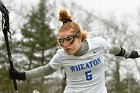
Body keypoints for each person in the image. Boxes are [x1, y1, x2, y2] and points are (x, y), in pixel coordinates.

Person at [9, 9, 140, 93]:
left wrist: (128, 54)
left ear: (80, 37)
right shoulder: (61, 55)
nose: (65, 45)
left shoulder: (98, 44)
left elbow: (114, 48)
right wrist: (22, 75)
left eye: (69, 39)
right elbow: (46, 69)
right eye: (61, 41)